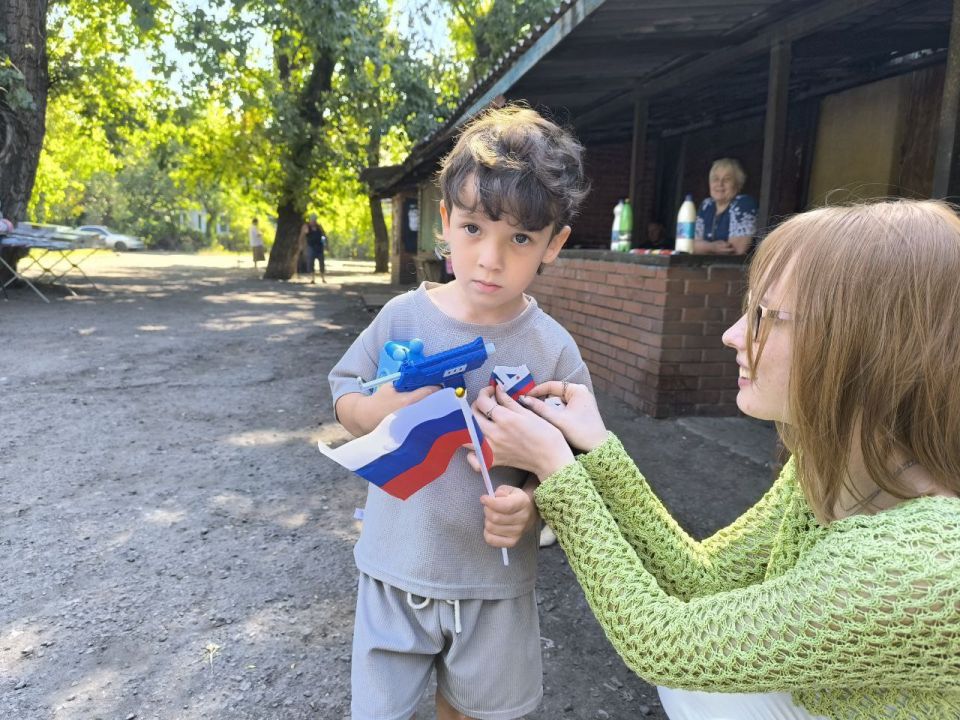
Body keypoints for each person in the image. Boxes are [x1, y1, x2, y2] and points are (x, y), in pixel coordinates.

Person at [470, 199, 960, 719]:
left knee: (697, 680)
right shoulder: (830, 460)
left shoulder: (921, 567)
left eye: (765, 316)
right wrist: (596, 447)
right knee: (702, 687)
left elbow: (662, 641)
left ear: (870, 346)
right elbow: (701, 578)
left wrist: (558, 471)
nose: (732, 335)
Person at [328, 103, 593, 720]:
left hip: (494, 582)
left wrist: (532, 505)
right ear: (445, 222)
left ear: (553, 245)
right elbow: (343, 392)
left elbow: (581, 457)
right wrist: (375, 411)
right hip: (395, 567)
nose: (490, 259)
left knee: (473, 710)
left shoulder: (553, 349)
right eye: (474, 228)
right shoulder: (402, 317)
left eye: (520, 238)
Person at [693, 158, 757, 255]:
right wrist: (712, 247)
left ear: (738, 184)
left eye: (727, 179)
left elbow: (736, 250)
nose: (720, 184)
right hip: (705, 263)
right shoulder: (707, 205)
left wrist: (703, 247)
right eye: (715, 179)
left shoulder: (744, 203)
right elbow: (689, 246)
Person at [300, 213, 327, 283]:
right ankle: (313, 279)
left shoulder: (319, 227)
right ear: (310, 220)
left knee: (322, 263)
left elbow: (323, 236)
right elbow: (302, 237)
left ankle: (323, 278)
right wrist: (302, 246)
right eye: (312, 220)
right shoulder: (306, 226)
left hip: (319, 247)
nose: (313, 222)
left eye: (314, 220)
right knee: (311, 263)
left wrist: (324, 244)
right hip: (311, 247)